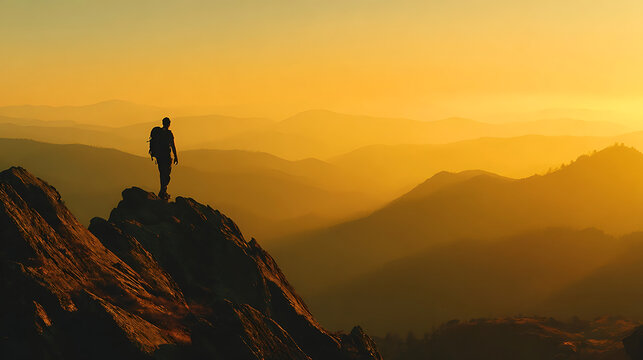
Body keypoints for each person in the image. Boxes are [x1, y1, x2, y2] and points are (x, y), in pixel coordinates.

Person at [149, 117, 178, 200]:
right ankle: (163, 191)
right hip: (167, 157)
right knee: (167, 174)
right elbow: (173, 145)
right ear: (169, 124)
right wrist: (176, 156)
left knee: (162, 174)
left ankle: (163, 191)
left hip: (160, 157)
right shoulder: (169, 133)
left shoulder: (158, 133)